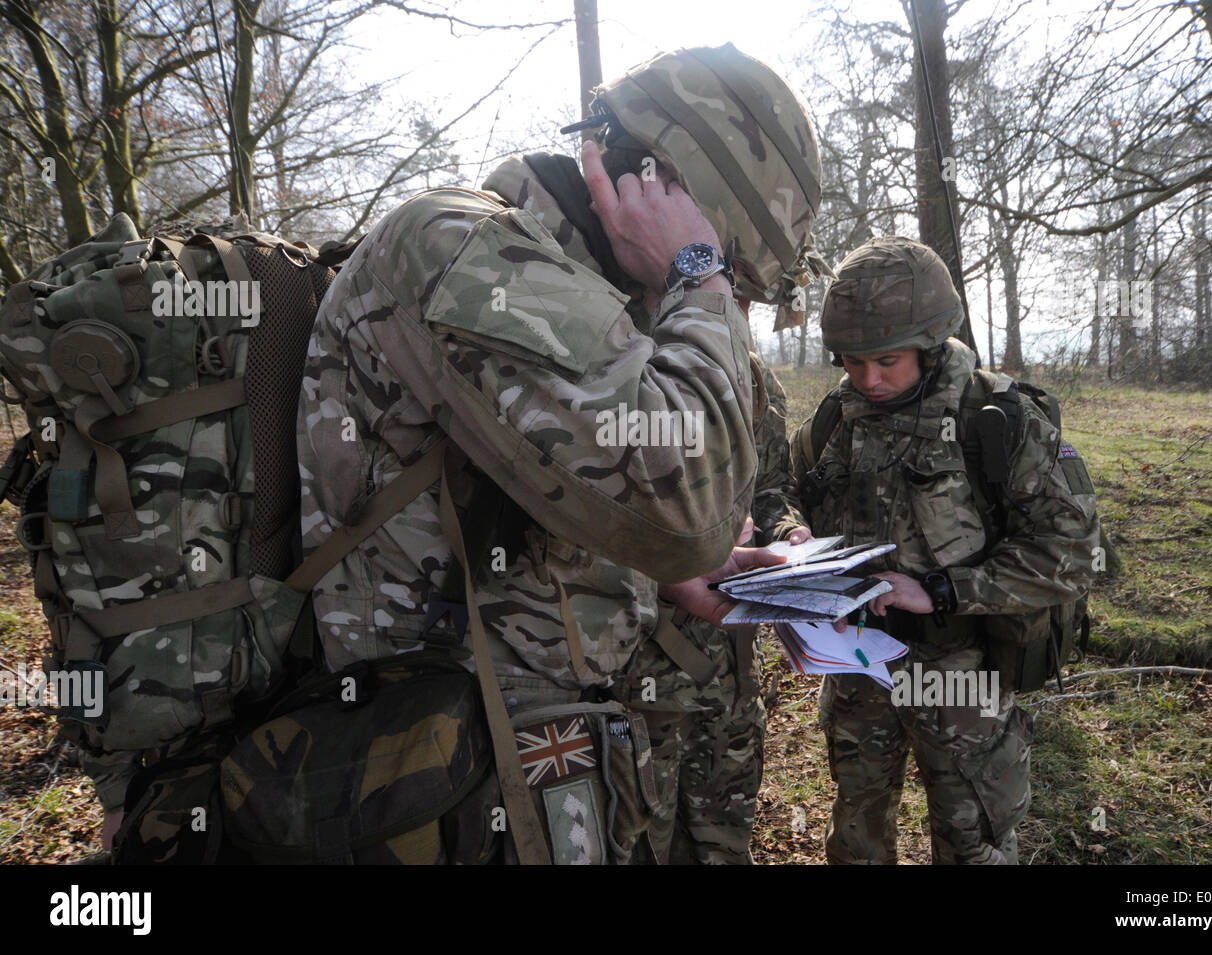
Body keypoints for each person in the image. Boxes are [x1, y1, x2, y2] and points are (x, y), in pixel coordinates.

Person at [295, 44, 824, 863]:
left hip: (527, 754)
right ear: (657, 188)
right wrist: (699, 276)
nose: (734, 306)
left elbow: (569, 495)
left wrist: (668, 575)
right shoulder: (465, 251)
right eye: (732, 271)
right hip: (438, 771)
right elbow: (692, 502)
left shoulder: (580, 288)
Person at [791, 236, 1100, 864]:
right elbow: (784, 491)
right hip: (858, 666)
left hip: (962, 675)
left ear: (930, 348)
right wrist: (790, 536)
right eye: (851, 362)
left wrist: (941, 590)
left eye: (887, 361)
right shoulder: (837, 419)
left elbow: (1070, 554)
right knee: (855, 831)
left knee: (972, 841)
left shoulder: (996, 419)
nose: (868, 380)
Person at [612, 352, 814, 864]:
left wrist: (785, 529)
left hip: (733, 669)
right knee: (638, 837)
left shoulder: (756, 378)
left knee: (723, 837)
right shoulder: (625, 365)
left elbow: (771, 486)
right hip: (641, 674)